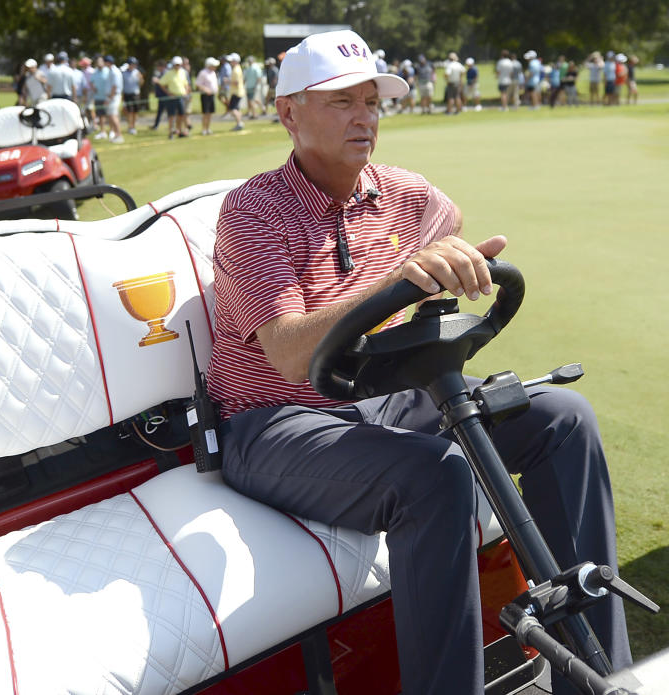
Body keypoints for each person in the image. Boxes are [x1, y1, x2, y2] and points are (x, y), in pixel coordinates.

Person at [206, 28, 631, 695]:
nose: (365, 117)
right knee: (437, 474)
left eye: (372, 101)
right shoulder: (253, 211)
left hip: (385, 399)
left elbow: (448, 226)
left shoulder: (410, 197)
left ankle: (599, 674)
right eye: (343, 101)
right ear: (288, 113)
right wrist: (401, 277)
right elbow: (288, 351)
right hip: (274, 422)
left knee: (563, 416)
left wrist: (454, 262)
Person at [158, 56, 190, 139]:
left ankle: (179, 131)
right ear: (173, 65)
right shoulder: (169, 73)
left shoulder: (183, 72)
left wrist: (186, 91)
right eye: (176, 65)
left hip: (181, 97)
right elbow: (161, 83)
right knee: (171, 115)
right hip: (172, 98)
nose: (177, 66)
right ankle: (170, 132)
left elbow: (186, 83)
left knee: (181, 115)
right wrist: (168, 93)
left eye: (179, 65)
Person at [196, 57, 219, 135]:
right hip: (205, 95)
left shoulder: (213, 73)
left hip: (211, 95)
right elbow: (198, 84)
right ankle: (204, 129)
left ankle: (208, 128)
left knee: (210, 113)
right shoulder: (203, 73)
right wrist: (206, 89)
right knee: (205, 112)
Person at [122, 57, 143, 134]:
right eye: (132, 64)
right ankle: (130, 127)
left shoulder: (137, 72)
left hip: (135, 94)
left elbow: (141, 83)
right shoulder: (124, 73)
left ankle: (133, 126)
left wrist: (141, 79)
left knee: (135, 111)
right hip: (127, 94)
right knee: (129, 111)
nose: (133, 65)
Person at [227, 53, 246, 130]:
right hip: (238, 91)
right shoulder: (237, 68)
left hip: (236, 92)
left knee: (233, 109)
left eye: (232, 60)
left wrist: (228, 81)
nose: (230, 62)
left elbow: (236, 83)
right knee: (237, 109)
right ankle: (239, 123)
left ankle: (239, 123)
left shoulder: (236, 70)